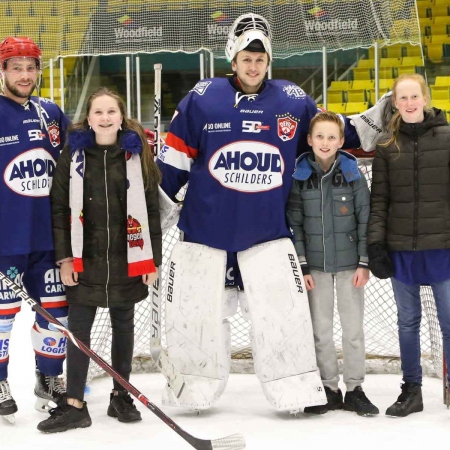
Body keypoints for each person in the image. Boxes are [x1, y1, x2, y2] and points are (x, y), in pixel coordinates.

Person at [156, 13, 361, 414]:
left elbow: (328, 134)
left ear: (269, 62)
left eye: (261, 59)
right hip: (205, 229)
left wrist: (373, 124)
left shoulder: (293, 99)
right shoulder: (202, 97)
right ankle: (192, 384)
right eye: (247, 58)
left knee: (280, 315)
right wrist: (150, 211)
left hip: (268, 230)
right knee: (201, 314)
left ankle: (294, 386)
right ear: (233, 58)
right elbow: (175, 161)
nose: (254, 66)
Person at [37, 87, 162, 433]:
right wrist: (64, 258)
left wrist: (151, 260)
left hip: (127, 259)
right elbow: (60, 208)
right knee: (79, 331)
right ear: (88, 118)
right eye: (98, 112)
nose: (105, 118)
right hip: (85, 258)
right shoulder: (73, 155)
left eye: (111, 112)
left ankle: (121, 394)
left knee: (124, 328)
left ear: (121, 116)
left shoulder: (137, 155)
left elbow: (151, 210)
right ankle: (74, 403)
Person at [367, 73, 450, 417]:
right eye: (403, 98)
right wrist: (376, 245)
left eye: (415, 96)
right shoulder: (387, 144)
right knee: (407, 322)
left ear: (425, 97)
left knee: (449, 322)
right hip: (401, 249)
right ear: (395, 103)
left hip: (442, 248)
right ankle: (411, 389)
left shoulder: (448, 137)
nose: (410, 103)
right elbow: (380, 200)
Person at [286, 111, 378, 416]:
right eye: (320, 137)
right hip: (316, 266)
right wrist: (303, 265)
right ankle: (327, 387)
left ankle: (355, 388)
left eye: (332, 137)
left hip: (350, 264)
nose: (325, 142)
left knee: (352, 329)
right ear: (310, 140)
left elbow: (365, 217)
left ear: (341, 141)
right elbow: (295, 223)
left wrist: (364, 262)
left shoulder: (352, 172)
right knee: (321, 329)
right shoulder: (300, 175)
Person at [0, 36, 71, 421]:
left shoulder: (51, 112)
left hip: (49, 240)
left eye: (31, 68)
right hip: (5, 241)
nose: (25, 75)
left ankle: (49, 379)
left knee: (56, 314)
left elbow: (74, 165)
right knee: (1, 317)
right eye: (16, 68)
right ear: (3, 71)